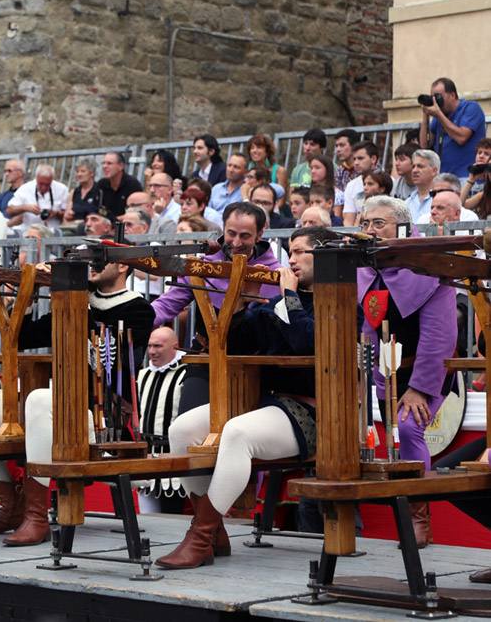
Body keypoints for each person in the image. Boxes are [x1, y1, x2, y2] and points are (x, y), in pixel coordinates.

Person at [156, 226, 334, 569]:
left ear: (324, 257)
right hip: (264, 403)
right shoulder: (278, 302)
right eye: (290, 253)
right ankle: (214, 530)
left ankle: (200, 536)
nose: (292, 260)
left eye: (300, 252)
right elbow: (235, 344)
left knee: (236, 434)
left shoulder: (339, 300)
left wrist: (289, 296)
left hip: (311, 414)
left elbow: (305, 343)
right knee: (181, 430)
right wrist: (243, 295)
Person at [0, 254, 154, 544]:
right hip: (56, 406)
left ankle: (37, 515)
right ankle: (11, 506)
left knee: (38, 399)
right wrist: (27, 294)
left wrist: (74, 298)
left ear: (123, 265)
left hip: (100, 412)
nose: (92, 266)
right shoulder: (77, 301)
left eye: (99, 260)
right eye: (87, 261)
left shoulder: (139, 309)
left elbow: (111, 367)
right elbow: (17, 337)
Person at [358, 196, 456, 548]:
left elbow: (439, 336)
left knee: (411, 428)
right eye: (365, 223)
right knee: (392, 441)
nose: (369, 230)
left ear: (402, 227)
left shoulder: (430, 266)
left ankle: (419, 520)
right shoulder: (366, 267)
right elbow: (370, 329)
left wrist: (418, 389)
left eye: (378, 224)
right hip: (389, 370)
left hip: (429, 371)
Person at [152, 202, 281, 411]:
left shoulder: (274, 274)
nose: (236, 242)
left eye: (245, 236)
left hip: (255, 366)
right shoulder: (202, 266)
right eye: (231, 233)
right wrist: (138, 316)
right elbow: (166, 304)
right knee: (184, 426)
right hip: (206, 358)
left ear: (260, 234)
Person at [135, 326, 188, 513]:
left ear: (175, 346)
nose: (151, 352)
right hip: (146, 457)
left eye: (157, 346)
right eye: (149, 346)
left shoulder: (186, 374)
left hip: (172, 460)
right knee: (146, 520)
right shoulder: (143, 374)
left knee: (170, 518)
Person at [419, 77, 487, 178]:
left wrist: (438, 114)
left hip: (468, 177)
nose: (436, 101)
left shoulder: (470, 108)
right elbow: (424, 145)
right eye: (432, 97)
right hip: (444, 178)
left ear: (452, 95)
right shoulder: (439, 116)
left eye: (438, 97)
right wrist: (425, 115)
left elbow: (461, 138)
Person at [6, 164, 68, 231]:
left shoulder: (62, 189)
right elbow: (9, 210)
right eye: (41, 184)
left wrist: (56, 213)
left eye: (47, 184)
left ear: (52, 179)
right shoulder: (25, 188)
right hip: (29, 233)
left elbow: (67, 215)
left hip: (52, 233)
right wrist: (25, 207)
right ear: (36, 178)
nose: (44, 187)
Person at [341, 141, 381, 226]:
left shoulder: (390, 180)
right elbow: (348, 219)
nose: (356, 163)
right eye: (354, 159)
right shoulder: (351, 185)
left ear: (373, 159)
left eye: (360, 158)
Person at [97, 152, 143, 218]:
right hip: (106, 224)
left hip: (126, 224)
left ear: (121, 166)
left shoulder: (132, 185)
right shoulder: (101, 184)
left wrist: (115, 221)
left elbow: (137, 213)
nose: (104, 166)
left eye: (109, 163)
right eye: (103, 163)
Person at [404, 150, 441, 225]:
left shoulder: (442, 200)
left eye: (420, 166)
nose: (414, 170)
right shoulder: (407, 203)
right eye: (413, 166)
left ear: (434, 171)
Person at [333, 128, 361, 193]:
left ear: (354, 146)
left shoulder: (365, 167)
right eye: (336, 146)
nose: (338, 149)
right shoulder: (340, 170)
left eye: (342, 145)